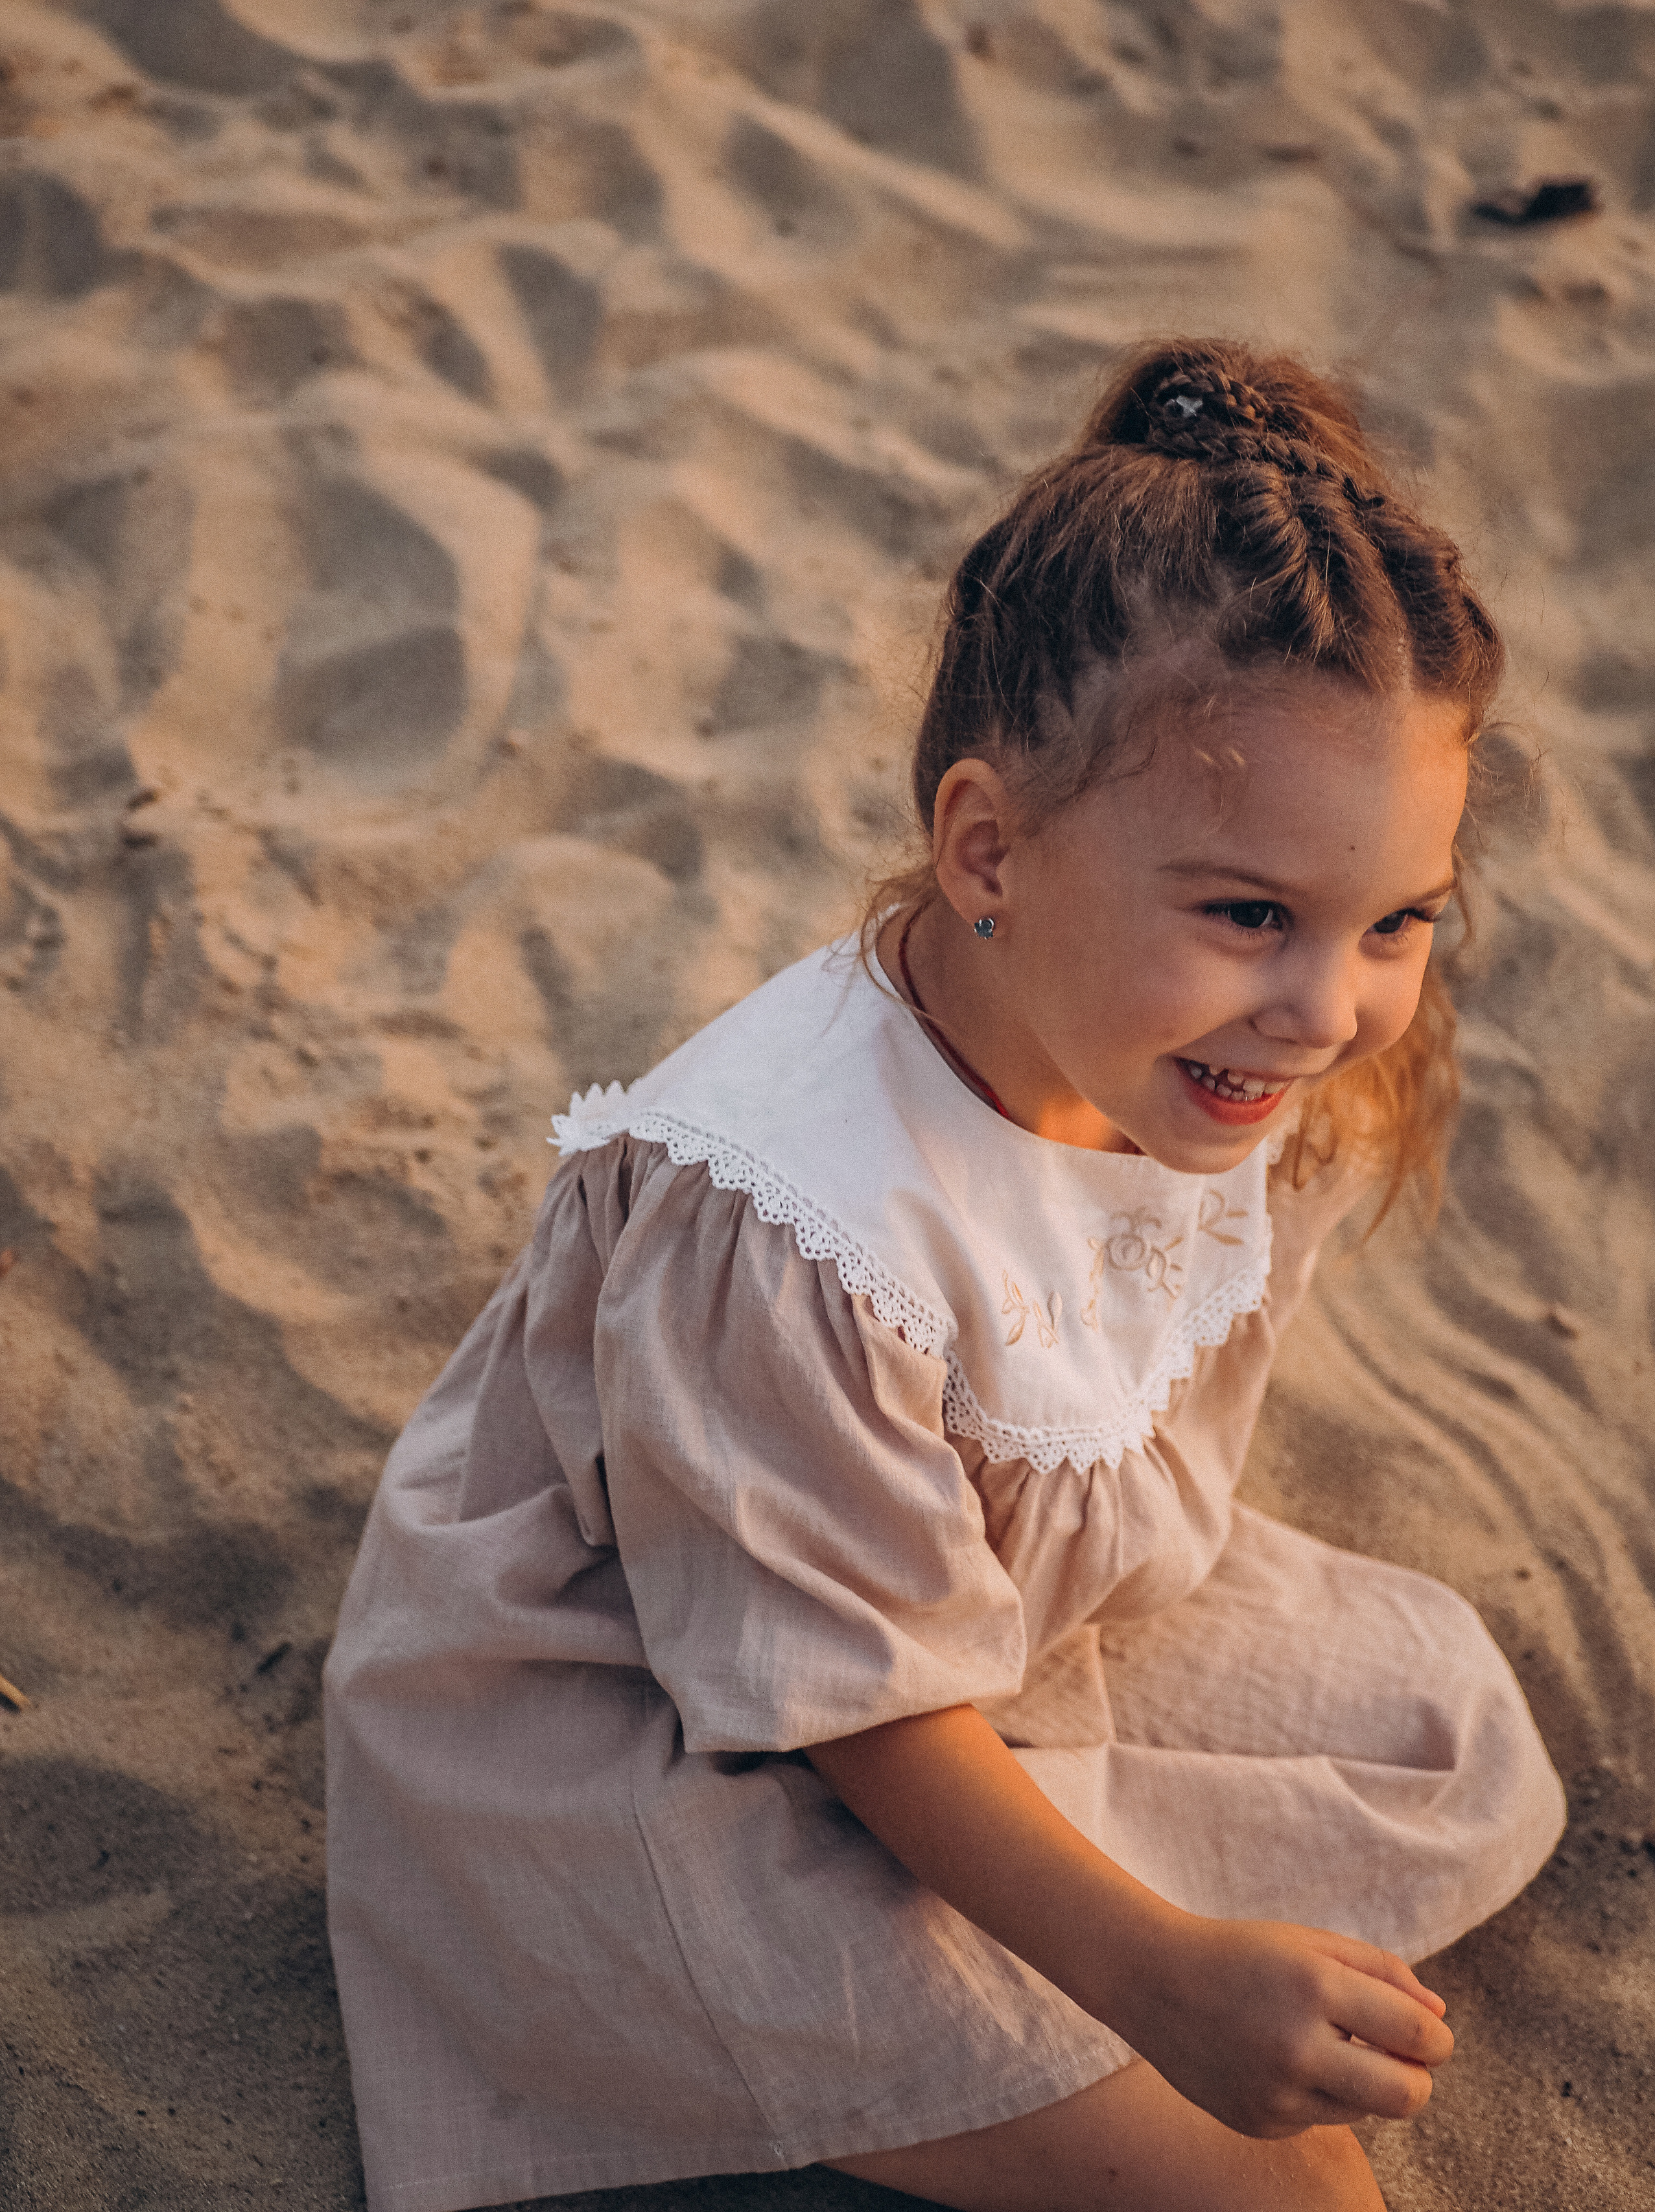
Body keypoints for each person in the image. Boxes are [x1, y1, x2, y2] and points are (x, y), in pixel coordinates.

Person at [323, 340, 1567, 2212]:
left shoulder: (1193, 1058)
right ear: (988, 846)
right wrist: (1150, 1971)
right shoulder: (792, 1219)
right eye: (1250, 914)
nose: (1330, 1008)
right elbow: (847, 1700)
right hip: (676, 1734)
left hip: (967, 1617)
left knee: (1452, 1733)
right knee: (1297, 2188)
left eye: (1394, 920)